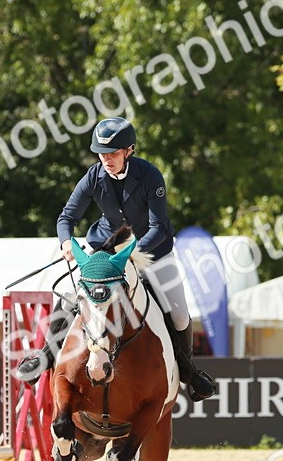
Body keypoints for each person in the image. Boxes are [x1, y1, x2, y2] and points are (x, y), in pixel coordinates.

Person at [13, 117, 216, 402]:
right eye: (102, 153)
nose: (106, 159)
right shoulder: (94, 176)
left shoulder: (149, 175)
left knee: (179, 313)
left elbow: (158, 226)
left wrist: (130, 256)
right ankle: (44, 357)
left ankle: (188, 372)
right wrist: (66, 242)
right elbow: (66, 217)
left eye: (112, 153)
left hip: (153, 250)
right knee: (72, 297)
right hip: (107, 250)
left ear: (128, 151)